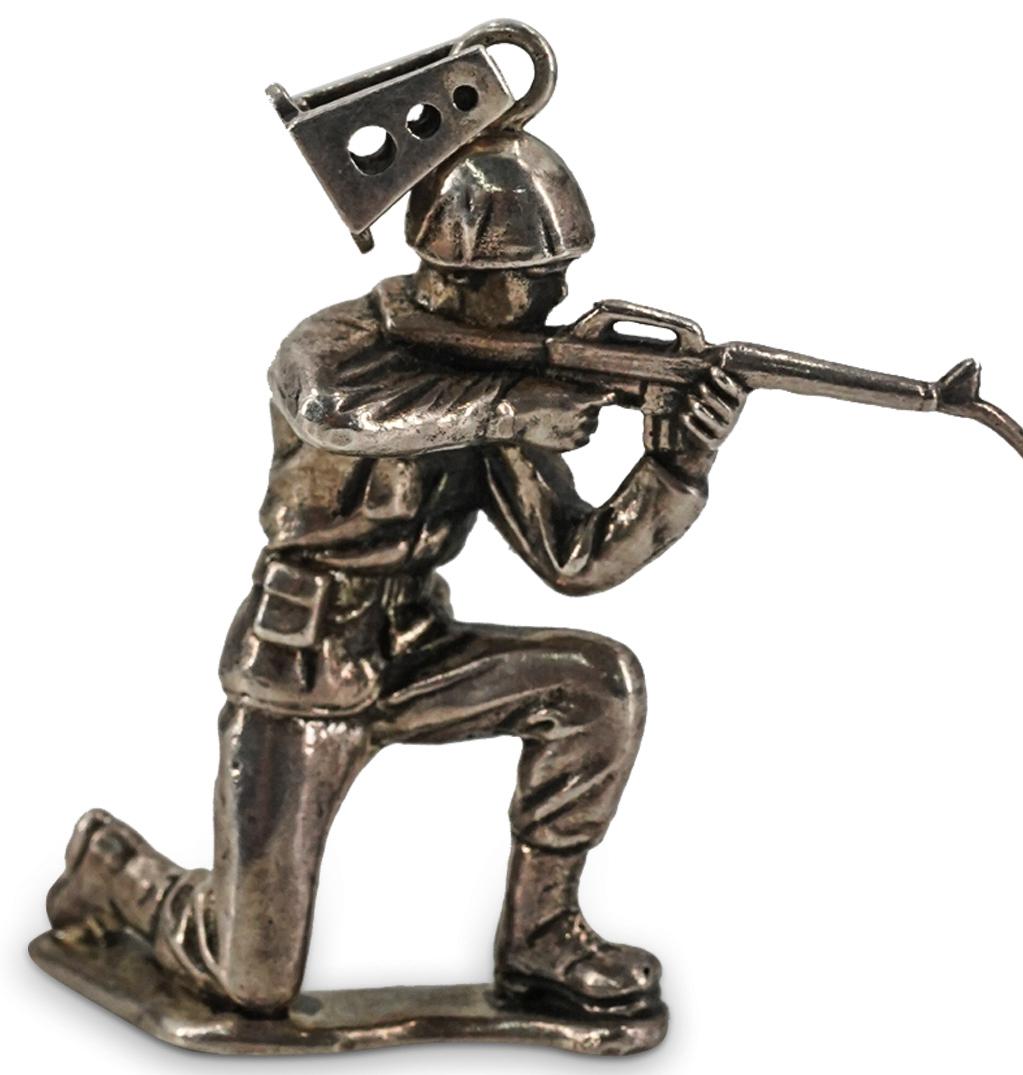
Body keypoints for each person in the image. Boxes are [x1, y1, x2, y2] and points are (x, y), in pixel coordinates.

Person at [46, 129, 748, 1019]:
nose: (556, 297)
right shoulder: (336, 344)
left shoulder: (505, 386)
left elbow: (575, 559)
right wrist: (508, 410)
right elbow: (334, 411)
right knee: (249, 979)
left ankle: (540, 935)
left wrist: (676, 466)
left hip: (417, 647)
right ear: (455, 271)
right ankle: (119, 871)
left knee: (596, 685)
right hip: (301, 664)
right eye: (536, 276)